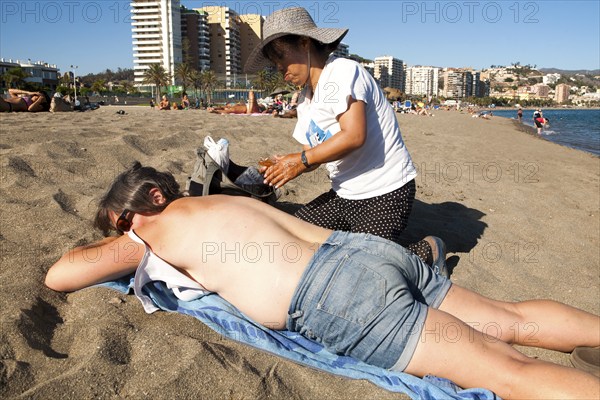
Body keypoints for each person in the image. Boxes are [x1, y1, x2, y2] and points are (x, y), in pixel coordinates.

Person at [45, 163, 600, 399]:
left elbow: (61, 274)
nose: (125, 231)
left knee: (510, 371)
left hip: (341, 297)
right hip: (365, 256)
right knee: (512, 320)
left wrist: (121, 235)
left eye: (122, 218)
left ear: (149, 200)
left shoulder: (151, 231)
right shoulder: (218, 202)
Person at [244, 7, 438, 270]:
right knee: (293, 239)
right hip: (343, 195)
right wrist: (285, 164)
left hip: (385, 193)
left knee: (359, 267)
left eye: (280, 55)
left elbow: (354, 135)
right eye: (274, 61)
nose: (280, 67)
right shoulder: (304, 99)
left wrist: (300, 160)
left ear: (305, 42)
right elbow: (313, 154)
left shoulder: (343, 72)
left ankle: (425, 251)